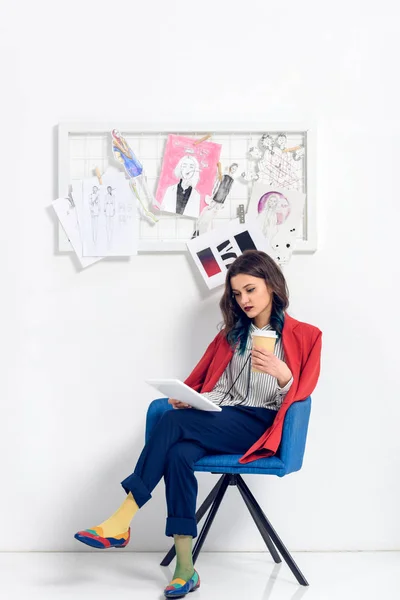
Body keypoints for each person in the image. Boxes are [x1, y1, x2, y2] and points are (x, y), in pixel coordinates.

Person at [74, 250, 322, 598]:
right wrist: (189, 397)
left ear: (272, 285)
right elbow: (211, 385)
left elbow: (302, 394)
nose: (244, 300)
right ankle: (186, 569)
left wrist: (284, 377)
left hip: (262, 423)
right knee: (178, 454)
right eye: (237, 294)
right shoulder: (230, 336)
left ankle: (122, 519)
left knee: (173, 424)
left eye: (250, 290)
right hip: (221, 419)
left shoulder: (306, 335)